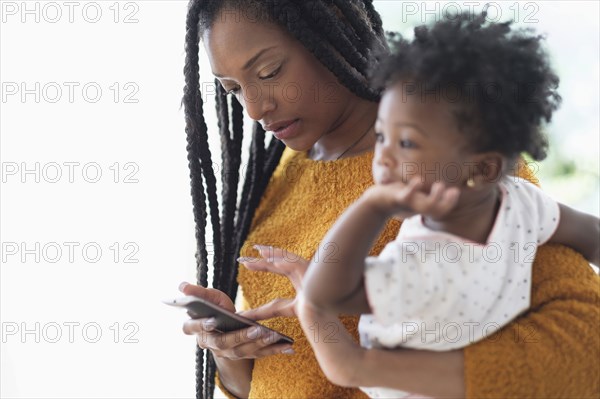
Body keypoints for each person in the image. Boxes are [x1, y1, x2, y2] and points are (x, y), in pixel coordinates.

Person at [178, 1, 600, 398]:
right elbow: (286, 373)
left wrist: (369, 367)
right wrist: (230, 356)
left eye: (269, 72)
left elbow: (583, 346)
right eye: (232, 88)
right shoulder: (280, 172)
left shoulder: (449, 163)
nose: (253, 108)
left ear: (332, 32)